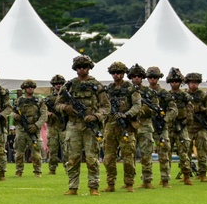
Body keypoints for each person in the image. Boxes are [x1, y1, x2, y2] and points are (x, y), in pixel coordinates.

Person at [57, 55, 109, 196]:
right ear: (75, 69)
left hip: (90, 127)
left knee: (92, 158)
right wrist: (66, 108)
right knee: (73, 157)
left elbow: (106, 107)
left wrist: (95, 116)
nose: (82, 69)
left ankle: (94, 187)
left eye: (85, 67)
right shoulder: (69, 85)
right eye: (79, 67)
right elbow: (57, 104)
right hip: (74, 125)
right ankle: (73, 187)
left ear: (89, 68)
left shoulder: (96, 85)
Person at [103, 61, 141, 192]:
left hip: (126, 126)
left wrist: (126, 115)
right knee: (108, 157)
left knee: (128, 156)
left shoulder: (130, 88)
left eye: (118, 72)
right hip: (110, 125)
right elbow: (103, 105)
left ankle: (129, 183)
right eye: (113, 73)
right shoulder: (108, 89)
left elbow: (137, 105)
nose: (116, 75)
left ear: (123, 74)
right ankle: (110, 183)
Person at [142, 66, 178, 188]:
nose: (152, 79)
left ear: (158, 78)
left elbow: (173, 109)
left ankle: (165, 180)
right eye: (150, 77)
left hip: (161, 126)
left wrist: (165, 120)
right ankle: (146, 180)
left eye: (155, 77)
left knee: (164, 153)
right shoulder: (143, 93)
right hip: (147, 126)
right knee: (146, 153)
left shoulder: (164, 93)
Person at [12, 79, 47, 177]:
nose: (30, 89)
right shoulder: (19, 101)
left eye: (32, 87)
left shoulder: (39, 100)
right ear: (24, 89)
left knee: (36, 152)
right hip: (21, 129)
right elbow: (12, 112)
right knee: (19, 152)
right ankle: (19, 171)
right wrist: (16, 116)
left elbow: (44, 115)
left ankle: (38, 171)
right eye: (28, 87)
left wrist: (36, 125)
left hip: (34, 129)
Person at [166, 68, 194, 185]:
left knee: (184, 152)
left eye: (177, 81)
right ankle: (165, 177)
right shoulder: (166, 95)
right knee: (166, 152)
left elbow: (190, 111)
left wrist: (186, 122)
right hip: (169, 126)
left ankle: (187, 175)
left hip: (181, 126)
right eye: (172, 81)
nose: (174, 83)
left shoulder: (185, 95)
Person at [186, 72, 207, 182]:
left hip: (200, 127)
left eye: (195, 83)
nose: (193, 85)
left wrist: (203, 109)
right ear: (188, 83)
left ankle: (202, 173)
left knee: (202, 150)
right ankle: (186, 174)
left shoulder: (204, 96)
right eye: (191, 83)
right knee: (185, 152)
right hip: (187, 127)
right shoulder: (185, 95)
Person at [45, 75, 68, 175]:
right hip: (53, 125)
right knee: (53, 148)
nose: (59, 86)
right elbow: (43, 111)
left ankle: (68, 168)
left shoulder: (67, 96)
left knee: (66, 148)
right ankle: (52, 168)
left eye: (61, 84)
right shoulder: (49, 98)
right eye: (56, 84)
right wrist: (48, 114)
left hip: (65, 125)